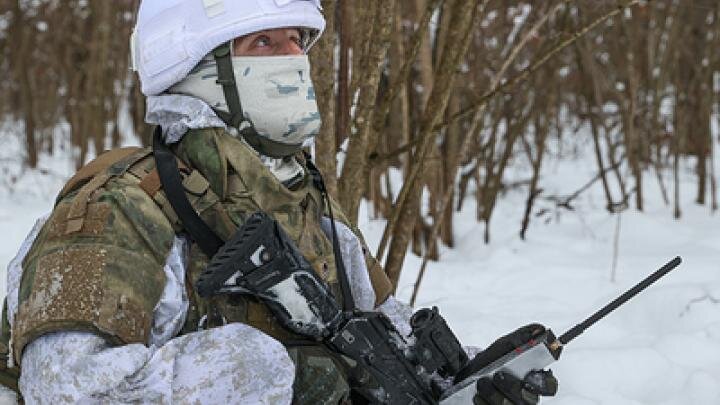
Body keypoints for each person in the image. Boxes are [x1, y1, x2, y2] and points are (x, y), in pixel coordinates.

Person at [0, 1, 557, 403]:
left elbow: (389, 338)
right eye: (263, 43)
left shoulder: (304, 199)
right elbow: (66, 388)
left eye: (296, 39)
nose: (292, 59)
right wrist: (271, 373)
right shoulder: (122, 207)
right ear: (196, 68)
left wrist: (466, 383)